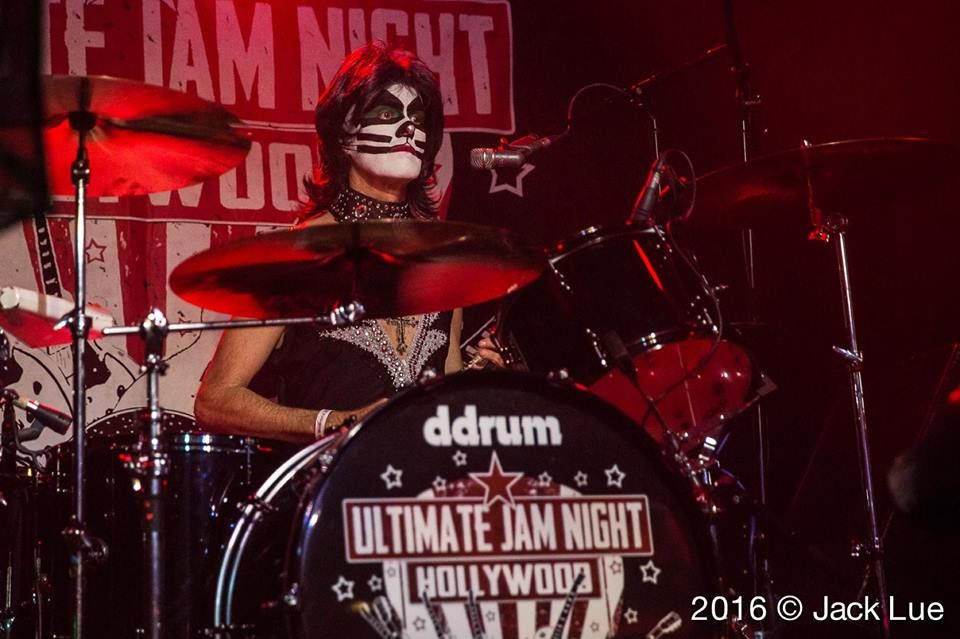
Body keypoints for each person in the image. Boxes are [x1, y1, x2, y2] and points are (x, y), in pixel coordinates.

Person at [194, 43, 501, 443]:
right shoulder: (295, 256)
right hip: (331, 476)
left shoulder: (443, 259)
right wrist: (336, 423)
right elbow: (215, 401)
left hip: (422, 478)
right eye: (388, 114)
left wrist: (481, 381)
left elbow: (447, 396)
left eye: (418, 118)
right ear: (342, 135)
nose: (409, 128)